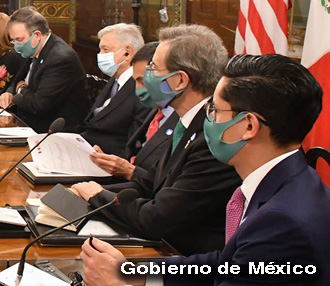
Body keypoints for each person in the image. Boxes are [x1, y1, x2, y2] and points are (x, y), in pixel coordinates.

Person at [81, 54, 330, 286]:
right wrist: (138, 273)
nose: (207, 119)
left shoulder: (281, 222)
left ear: (248, 125)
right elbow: (226, 263)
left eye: (214, 110)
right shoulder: (286, 180)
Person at [70, 25, 241, 255]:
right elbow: (151, 183)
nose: (145, 75)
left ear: (179, 80)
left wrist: (98, 197)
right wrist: (93, 191)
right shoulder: (186, 119)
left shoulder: (212, 133)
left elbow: (159, 216)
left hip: (183, 260)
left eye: (153, 68)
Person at [90, 42, 178, 182]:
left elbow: (165, 183)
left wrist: (128, 171)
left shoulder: (182, 119)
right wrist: (110, 162)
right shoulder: (158, 110)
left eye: (143, 81)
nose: (138, 90)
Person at [0, 7, 91, 131]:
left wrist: (21, 89)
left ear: (37, 35)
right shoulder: (33, 49)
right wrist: (9, 92)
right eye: (13, 41)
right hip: (26, 122)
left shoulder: (60, 58)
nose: (16, 46)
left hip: (52, 131)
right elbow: (17, 80)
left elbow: (39, 105)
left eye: (19, 40)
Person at [72, 23, 151, 156]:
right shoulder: (115, 79)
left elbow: (134, 142)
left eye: (105, 50)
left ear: (127, 53)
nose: (100, 55)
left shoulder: (142, 88)